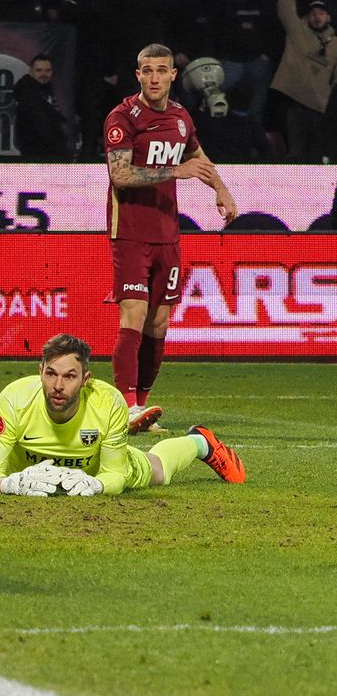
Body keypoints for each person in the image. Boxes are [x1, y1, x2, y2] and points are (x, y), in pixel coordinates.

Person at [102, 43, 238, 434]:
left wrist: (221, 190)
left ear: (173, 75)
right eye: (148, 71)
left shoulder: (180, 117)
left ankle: (141, 409)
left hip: (167, 233)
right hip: (129, 232)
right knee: (134, 314)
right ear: (138, 74)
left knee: (159, 324)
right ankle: (125, 407)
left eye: (162, 70)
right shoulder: (122, 117)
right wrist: (174, 171)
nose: (155, 77)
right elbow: (121, 176)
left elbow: (199, 155)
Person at [0, 334, 245, 496]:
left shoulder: (108, 403)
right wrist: (10, 484)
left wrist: (96, 486)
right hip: (27, 479)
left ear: (85, 380)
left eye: (69, 376)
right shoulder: (14, 399)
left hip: (95, 471)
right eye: (51, 374)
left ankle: (200, 442)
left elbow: (114, 475)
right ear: (40, 371)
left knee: (159, 471)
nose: (58, 386)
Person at [270, 0, 337, 161]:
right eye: (314, 13)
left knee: (317, 157)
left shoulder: (335, 42)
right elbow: (285, 4)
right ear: (307, 16)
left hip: (320, 109)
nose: (317, 17)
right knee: (296, 155)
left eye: (322, 13)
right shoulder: (297, 30)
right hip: (294, 104)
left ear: (328, 16)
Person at [13, 54, 69, 158]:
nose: (43, 74)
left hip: (44, 154)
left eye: (47, 70)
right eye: (39, 70)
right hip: (39, 155)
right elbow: (42, 125)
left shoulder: (45, 90)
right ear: (31, 71)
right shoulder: (28, 94)